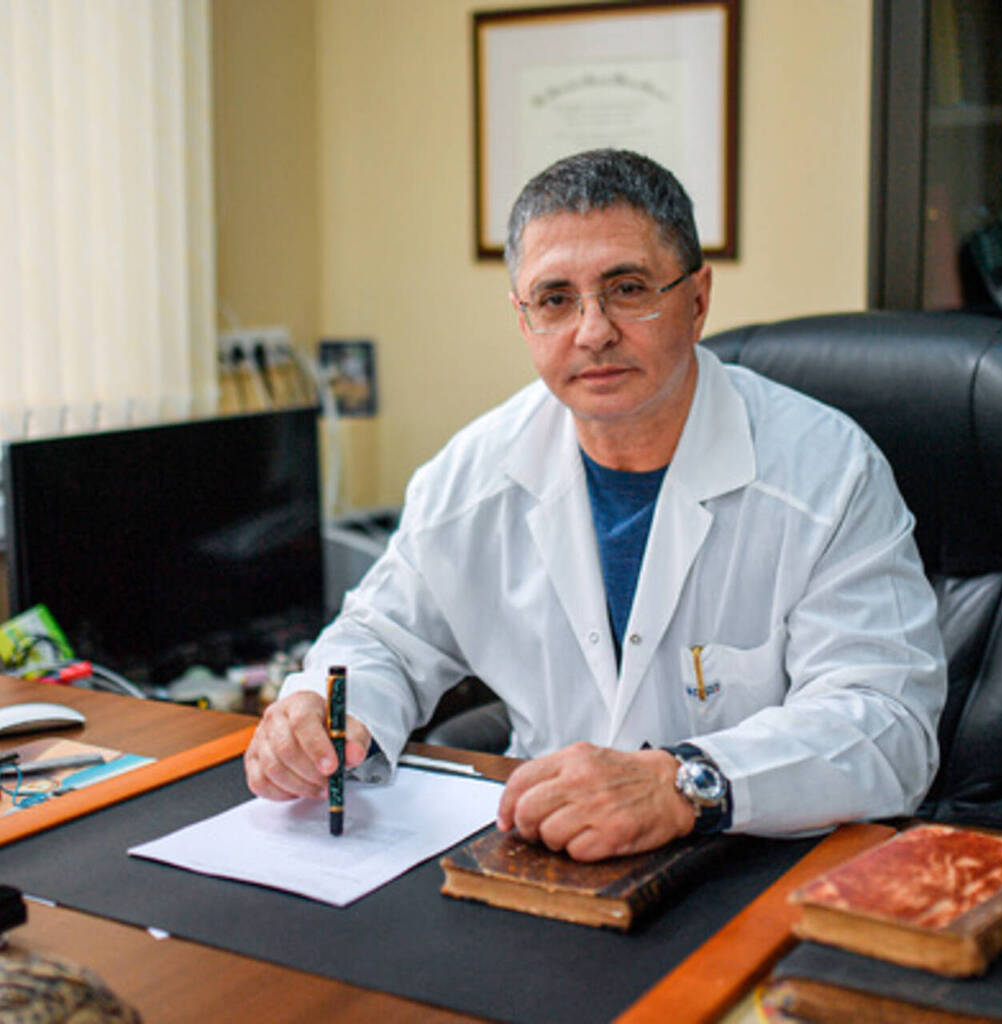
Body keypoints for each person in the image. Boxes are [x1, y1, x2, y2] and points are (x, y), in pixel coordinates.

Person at [245, 149, 946, 862]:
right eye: (555, 299)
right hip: (544, 856)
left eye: (628, 289)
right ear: (523, 320)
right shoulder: (470, 475)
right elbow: (382, 638)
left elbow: (890, 727)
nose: (593, 331)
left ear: (698, 300)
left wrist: (683, 783)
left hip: (752, 858)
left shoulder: (828, 471)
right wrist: (322, 715)